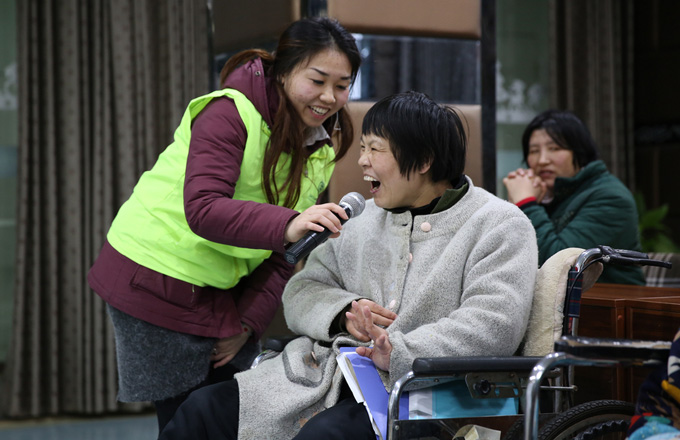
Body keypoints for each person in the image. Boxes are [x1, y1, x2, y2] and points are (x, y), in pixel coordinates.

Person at [158, 91, 539, 440]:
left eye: (376, 149)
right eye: (362, 148)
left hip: (435, 392)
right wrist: (343, 315)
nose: (362, 161)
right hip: (327, 376)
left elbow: (494, 322)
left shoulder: (498, 224)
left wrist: (401, 350)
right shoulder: (358, 219)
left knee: (326, 435)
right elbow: (302, 290)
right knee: (202, 410)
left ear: (424, 160)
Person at [87, 17, 361, 431]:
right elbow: (204, 208)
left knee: (230, 413)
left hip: (218, 286)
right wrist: (289, 223)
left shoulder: (319, 143)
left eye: (342, 86)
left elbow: (285, 253)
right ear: (284, 71)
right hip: (153, 273)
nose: (329, 97)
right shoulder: (229, 111)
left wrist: (246, 323)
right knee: (187, 419)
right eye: (317, 80)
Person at [503, 109, 645, 285]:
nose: (542, 160)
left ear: (580, 152)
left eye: (554, 148)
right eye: (534, 151)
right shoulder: (547, 194)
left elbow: (560, 265)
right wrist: (517, 206)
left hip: (610, 300)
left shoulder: (611, 197)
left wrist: (526, 203)